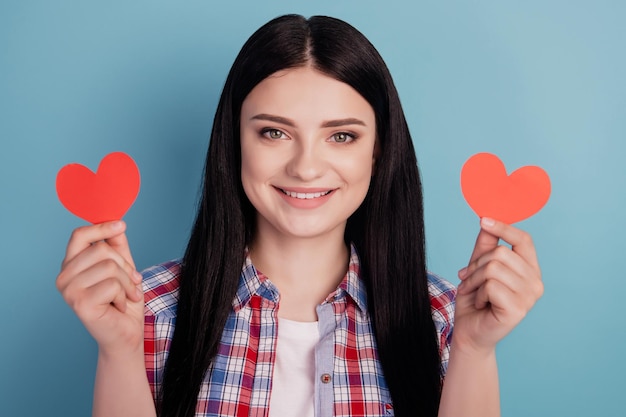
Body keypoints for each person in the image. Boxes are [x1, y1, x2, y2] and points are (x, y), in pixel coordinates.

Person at [55, 14, 543, 417]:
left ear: (378, 152)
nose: (306, 167)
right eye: (273, 133)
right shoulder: (149, 312)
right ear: (234, 143)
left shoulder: (442, 318)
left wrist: (475, 352)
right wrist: (119, 353)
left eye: (342, 136)